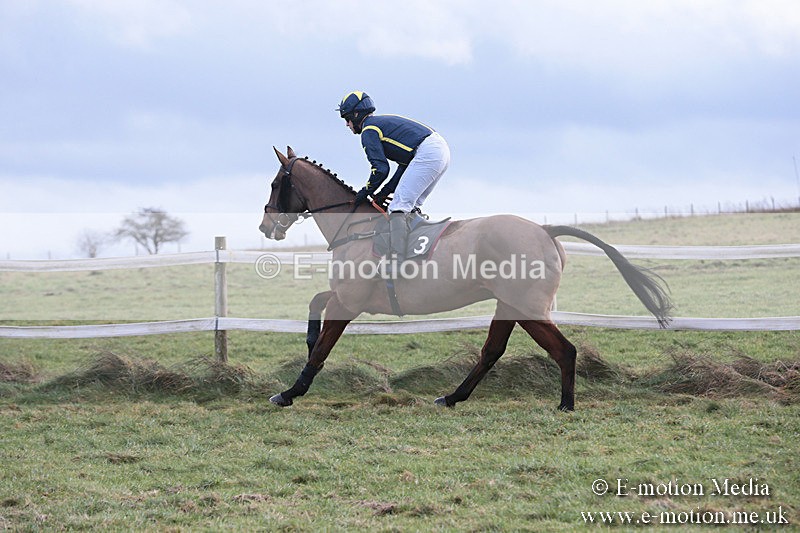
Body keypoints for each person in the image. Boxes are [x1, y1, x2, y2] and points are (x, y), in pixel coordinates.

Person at [337, 90, 450, 261]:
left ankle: (398, 259)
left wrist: (365, 192)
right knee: (409, 206)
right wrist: (385, 191)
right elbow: (404, 165)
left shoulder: (369, 130)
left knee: (398, 207)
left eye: (347, 119)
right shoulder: (378, 124)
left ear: (356, 114)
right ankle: (419, 253)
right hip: (437, 150)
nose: (347, 124)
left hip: (428, 152)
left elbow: (380, 169)